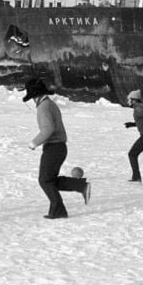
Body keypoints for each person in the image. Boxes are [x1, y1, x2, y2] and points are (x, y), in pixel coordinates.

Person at [24, 78, 91, 219]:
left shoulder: (43, 107)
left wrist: (34, 143)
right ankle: (80, 186)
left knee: (45, 180)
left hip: (53, 147)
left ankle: (59, 210)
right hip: (59, 147)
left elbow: (48, 129)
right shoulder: (50, 104)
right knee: (50, 180)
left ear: (35, 95)